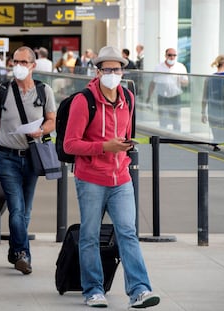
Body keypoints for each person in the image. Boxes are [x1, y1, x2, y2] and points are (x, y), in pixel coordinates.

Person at [64, 46, 160, 309]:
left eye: (117, 69)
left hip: (121, 177)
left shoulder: (128, 97)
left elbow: (126, 133)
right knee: (90, 235)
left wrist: (123, 148)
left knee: (128, 233)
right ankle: (93, 290)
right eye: (107, 69)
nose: (112, 73)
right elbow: (70, 145)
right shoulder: (84, 101)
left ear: (123, 71)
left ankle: (140, 290)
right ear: (97, 71)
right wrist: (104, 147)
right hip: (91, 178)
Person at [0, 46, 56, 275]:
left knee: (25, 210)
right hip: (7, 155)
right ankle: (22, 254)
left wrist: (41, 131)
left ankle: (15, 250)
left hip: (32, 156)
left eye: (23, 62)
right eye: (15, 62)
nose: (18, 66)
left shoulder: (44, 91)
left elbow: (52, 120)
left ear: (33, 65)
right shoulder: (2, 90)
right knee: (16, 208)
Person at [146, 48, 188, 131]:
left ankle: (176, 138)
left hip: (175, 97)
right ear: (165, 56)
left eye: (174, 55)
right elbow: (153, 83)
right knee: (163, 121)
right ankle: (162, 140)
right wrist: (149, 97)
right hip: (162, 97)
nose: (172, 57)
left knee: (176, 121)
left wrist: (181, 80)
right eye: (169, 55)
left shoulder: (180, 67)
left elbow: (186, 83)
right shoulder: (158, 67)